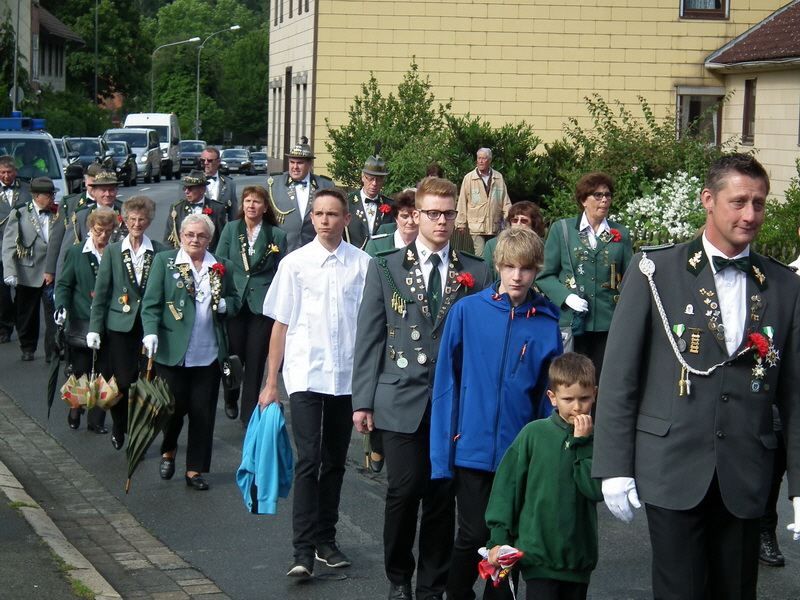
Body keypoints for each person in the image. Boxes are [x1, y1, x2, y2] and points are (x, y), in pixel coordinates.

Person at [593, 153, 800, 600]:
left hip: (745, 470)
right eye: (739, 201)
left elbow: (796, 394)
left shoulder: (784, 286)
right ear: (708, 199)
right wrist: (613, 466)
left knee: (737, 591)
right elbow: (620, 376)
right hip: (672, 465)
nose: (750, 214)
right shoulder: (656, 271)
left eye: (759, 203)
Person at [352, 176, 493, 600]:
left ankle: (432, 584)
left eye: (448, 213)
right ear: (416, 215)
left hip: (452, 402)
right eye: (432, 213)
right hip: (399, 395)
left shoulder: (477, 270)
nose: (441, 221)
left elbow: (481, 341)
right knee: (403, 488)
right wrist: (363, 400)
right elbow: (370, 335)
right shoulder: (387, 265)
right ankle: (399, 575)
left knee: (440, 493)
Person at [430, 226, 562, 600]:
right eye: (509, 267)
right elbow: (447, 384)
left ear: (537, 269)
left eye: (525, 268)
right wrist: (442, 455)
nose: (517, 276)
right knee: (473, 534)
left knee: (503, 541)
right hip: (469, 446)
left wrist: (542, 458)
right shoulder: (466, 311)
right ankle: (455, 594)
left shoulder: (546, 324)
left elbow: (546, 399)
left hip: (516, 453)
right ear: (497, 266)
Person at [258, 188, 371, 578]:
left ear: (345, 219)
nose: (324, 220)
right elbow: (280, 325)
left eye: (332, 214)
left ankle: (326, 538)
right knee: (309, 459)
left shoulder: (363, 264)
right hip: (306, 372)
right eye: (318, 214)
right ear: (311, 218)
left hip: (347, 376)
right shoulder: (295, 264)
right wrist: (271, 382)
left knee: (335, 461)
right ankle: (302, 550)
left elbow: (373, 327)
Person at [485, 352, 603, 600]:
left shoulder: (598, 439)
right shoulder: (533, 434)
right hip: (537, 556)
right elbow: (507, 489)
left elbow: (594, 490)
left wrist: (582, 444)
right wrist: (498, 538)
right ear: (552, 397)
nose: (577, 407)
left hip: (578, 560)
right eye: (568, 399)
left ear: (595, 393)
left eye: (584, 399)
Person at [141, 214, 240, 491]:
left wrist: (225, 307)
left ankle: (194, 470)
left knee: (202, 413)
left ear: (209, 239)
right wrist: (150, 331)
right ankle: (169, 449)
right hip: (172, 352)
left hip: (208, 354)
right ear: (181, 236)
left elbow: (234, 299)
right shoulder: (165, 261)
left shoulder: (220, 266)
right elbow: (151, 303)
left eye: (201, 236)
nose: (195, 240)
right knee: (173, 410)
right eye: (189, 235)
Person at [88, 196, 168, 451]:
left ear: (149, 221)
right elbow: (101, 294)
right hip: (119, 326)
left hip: (149, 328)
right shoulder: (113, 251)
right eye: (132, 219)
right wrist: (94, 328)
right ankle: (119, 424)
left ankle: (138, 436)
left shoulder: (160, 251)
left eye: (142, 219)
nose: (137, 223)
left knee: (144, 386)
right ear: (124, 220)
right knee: (122, 382)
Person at [535, 173, 632, 379]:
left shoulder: (620, 233)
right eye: (597, 195)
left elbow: (629, 278)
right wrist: (566, 297)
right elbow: (544, 275)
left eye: (608, 195)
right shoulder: (562, 230)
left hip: (608, 322)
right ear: (583, 200)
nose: (604, 200)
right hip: (573, 323)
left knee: (603, 380)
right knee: (571, 379)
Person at [216, 185, 287, 425]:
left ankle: (249, 414)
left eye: (256, 202)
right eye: (247, 201)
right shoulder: (230, 229)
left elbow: (281, 272)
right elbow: (219, 264)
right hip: (235, 301)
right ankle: (230, 395)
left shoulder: (276, 235)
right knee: (233, 355)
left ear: (265, 207)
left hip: (262, 304)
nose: (251, 205)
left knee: (256, 358)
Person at [54, 208, 116, 433]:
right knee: (80, 370)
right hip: (82, 320)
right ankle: (76, 407)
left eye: (108, 231)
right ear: (90, 229)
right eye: (99, 231)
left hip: (109, 322)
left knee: (104, 372)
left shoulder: (116, 252)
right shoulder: (76, 252)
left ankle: (96, 420)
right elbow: (63, 284)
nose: (103, 236)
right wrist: (61, 306)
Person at [1, 177, 59, 361]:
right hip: (28, 270)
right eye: (48, 194)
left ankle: (53, 351)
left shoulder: (58, 213)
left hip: (52, 269)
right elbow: (9, 244)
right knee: (27, 313)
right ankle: (27, 346)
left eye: (53, 193)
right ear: (36, 196)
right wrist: (9, 271)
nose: (52, 197)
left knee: (53, 314)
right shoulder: (20, 213)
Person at [53, 170, 128, 280]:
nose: (107, 194)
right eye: (103, 190)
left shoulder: (126, 215)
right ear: (94, 192)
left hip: (118, 277)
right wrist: (59, 287)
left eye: (111, 190)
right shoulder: (81, 216)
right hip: (87, 277)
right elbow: (66, 252)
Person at [266, 137, 334, 252]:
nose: (295, 167)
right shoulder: (274, 184)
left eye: (300, 163)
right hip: (282, 250)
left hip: (316, 251)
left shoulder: (325, 185)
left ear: (309, 164)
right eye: (292, 162)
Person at [44, 163, 103, 283]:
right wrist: (50, 270)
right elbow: (57, 239)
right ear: (86, 182)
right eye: (93, 182)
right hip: (76, 265)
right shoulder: (70, 203)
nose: (97, 187)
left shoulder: (116, 206)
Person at [455, 148, 512, 256]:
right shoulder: (469, 178)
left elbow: (505, 201)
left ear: (489, 160)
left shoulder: (498, 177)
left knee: (494, 254)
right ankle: (482, 273)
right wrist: (461, 223)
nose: (481, 161)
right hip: (477, 225)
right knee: (480, 254)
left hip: (494, 225)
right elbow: (462, 201)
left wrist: (510, 218)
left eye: (484, 158)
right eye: (479, 158)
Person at [0, 155, 31, 344]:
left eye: (9, 172)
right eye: (2, 172)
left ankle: (23, 327)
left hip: (24, 249)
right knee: (2, 292)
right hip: (1, 249)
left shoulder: (27, 190)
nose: (5, 176)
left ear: (16, 173)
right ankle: (4, 326)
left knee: (24, 292)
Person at [164, 170, 228, 252]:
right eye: (185, 188)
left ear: (202, 190)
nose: (186, 192)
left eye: (190, 188)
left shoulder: (217, 208)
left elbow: (222, 238)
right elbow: (168, 239)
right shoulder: (177, 208)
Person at [345, 149, 394, 250]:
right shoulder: (347, 204)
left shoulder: (391, 205)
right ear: (363, 176)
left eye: (379, 179)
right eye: (371, 179)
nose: (374, 184)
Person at [482, 201, 545, 275]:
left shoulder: (544, 246)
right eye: (515, 220)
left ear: (534, 224)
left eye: (524, 221)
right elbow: (487, 274)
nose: (518, 224)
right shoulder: (492, 244)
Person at [364, 188, 418, 257]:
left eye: (415, 216)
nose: (410, 221)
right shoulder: (376, 245)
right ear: (396, 218)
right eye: (405, 217)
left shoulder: (431, 245)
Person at [200, 147, 238, 220]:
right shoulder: (189, 182)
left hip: (220, 228)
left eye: (210, 160)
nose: (205, 163)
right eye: (202, 160)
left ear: (218, 162)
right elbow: (182, 210)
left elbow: (233, 213)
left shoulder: (229, 183)